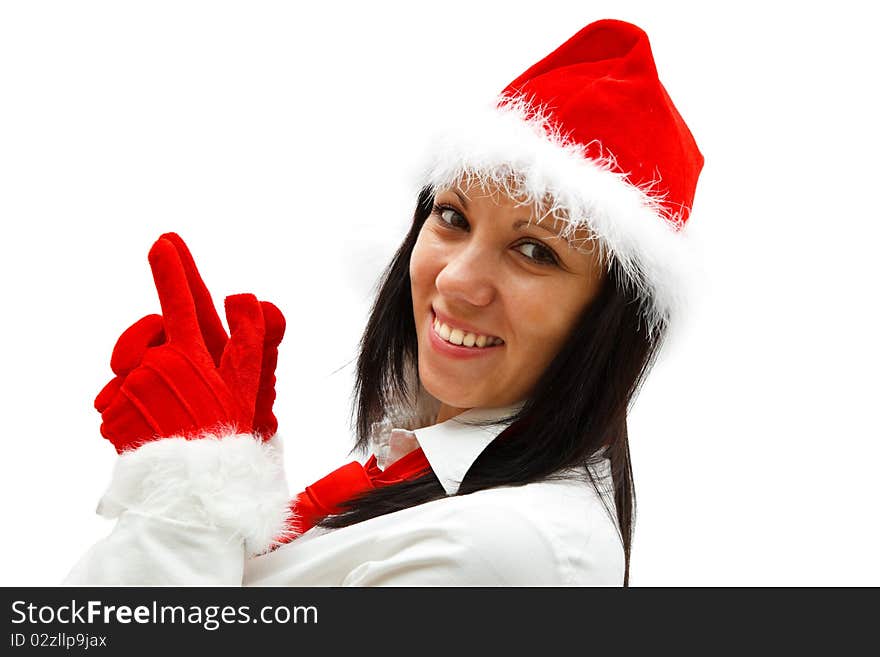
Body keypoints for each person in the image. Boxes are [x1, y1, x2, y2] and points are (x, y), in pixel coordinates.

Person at [63, 18, 703, 587]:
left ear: (610, 322)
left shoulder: (504, 555)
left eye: (535, 252)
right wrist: (233, 477)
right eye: (452, 215)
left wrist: (184, 505)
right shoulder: (424, 478)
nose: (455, 280)